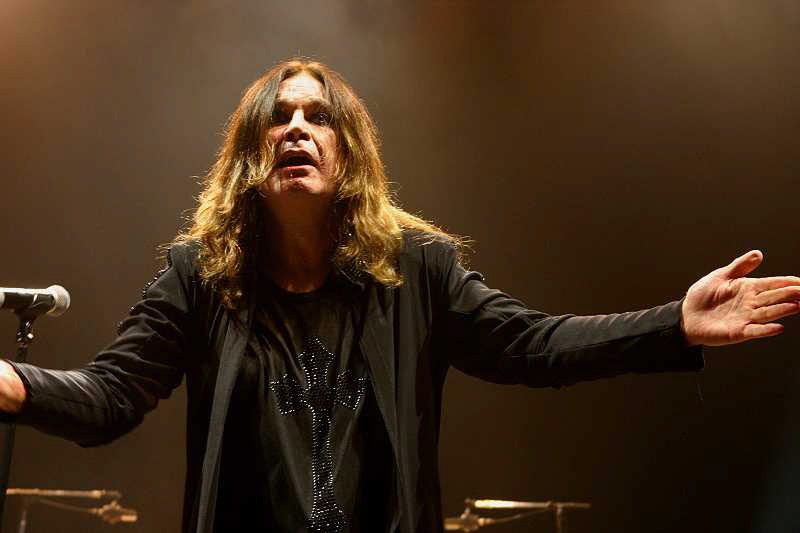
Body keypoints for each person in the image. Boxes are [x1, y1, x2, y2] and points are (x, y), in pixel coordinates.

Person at [0, 58, 798, 533]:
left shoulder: (417, 271)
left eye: (318, 116)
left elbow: (534, 345)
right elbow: (110, 395)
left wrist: (674, 324)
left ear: (348, 153)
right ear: (249, 157)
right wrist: (15, 382)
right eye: (278, 118)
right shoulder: (201, 276)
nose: (296, 127)